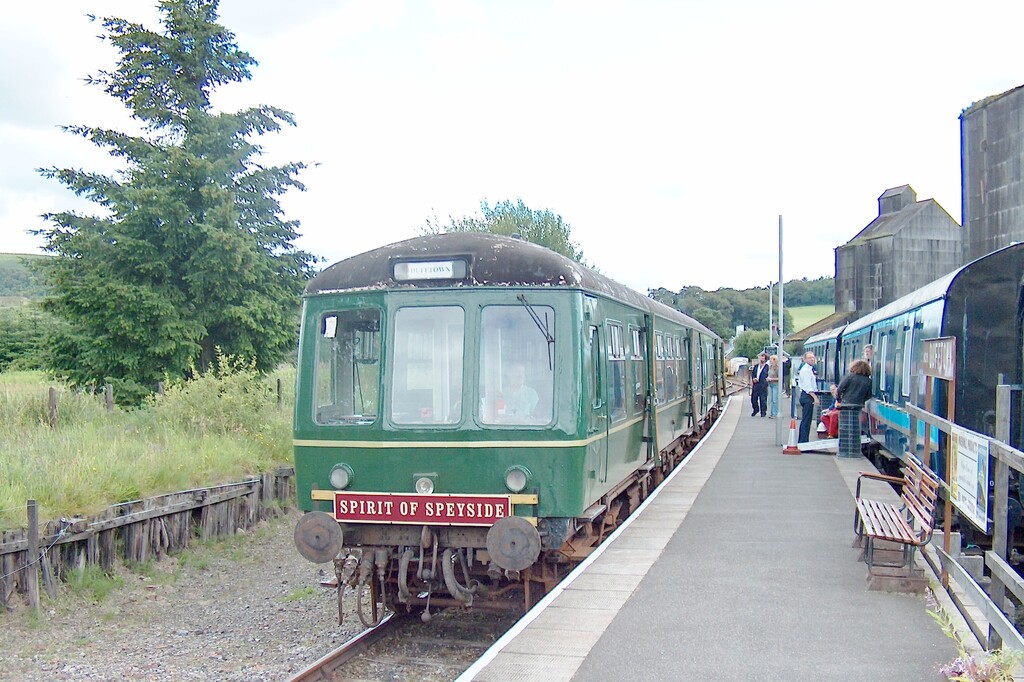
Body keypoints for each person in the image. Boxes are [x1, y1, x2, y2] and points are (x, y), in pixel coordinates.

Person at [797, 351, 819, 442]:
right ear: (805, 359)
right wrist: (815, 398)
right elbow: (808, 387)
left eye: (813, 357)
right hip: (807, 396)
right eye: (810, 357)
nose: (812, 359)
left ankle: (804, 440)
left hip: (807, 396)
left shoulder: (809, 369)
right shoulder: (806, 370)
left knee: (807, 419)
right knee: (806, 420)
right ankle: (803, 441)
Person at [750, 352, 769, 417]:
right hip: (756, 384)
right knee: (753, 398)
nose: (761, 359)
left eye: (763, 358)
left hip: (763, 385)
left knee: (763, 399)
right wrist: (753, 379)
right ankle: (755, 409)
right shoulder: (756, 366)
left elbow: (767, 375)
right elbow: (753, 374)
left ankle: (763, 411)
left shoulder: (767, 367)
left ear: (765, 359)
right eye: (761, 357)